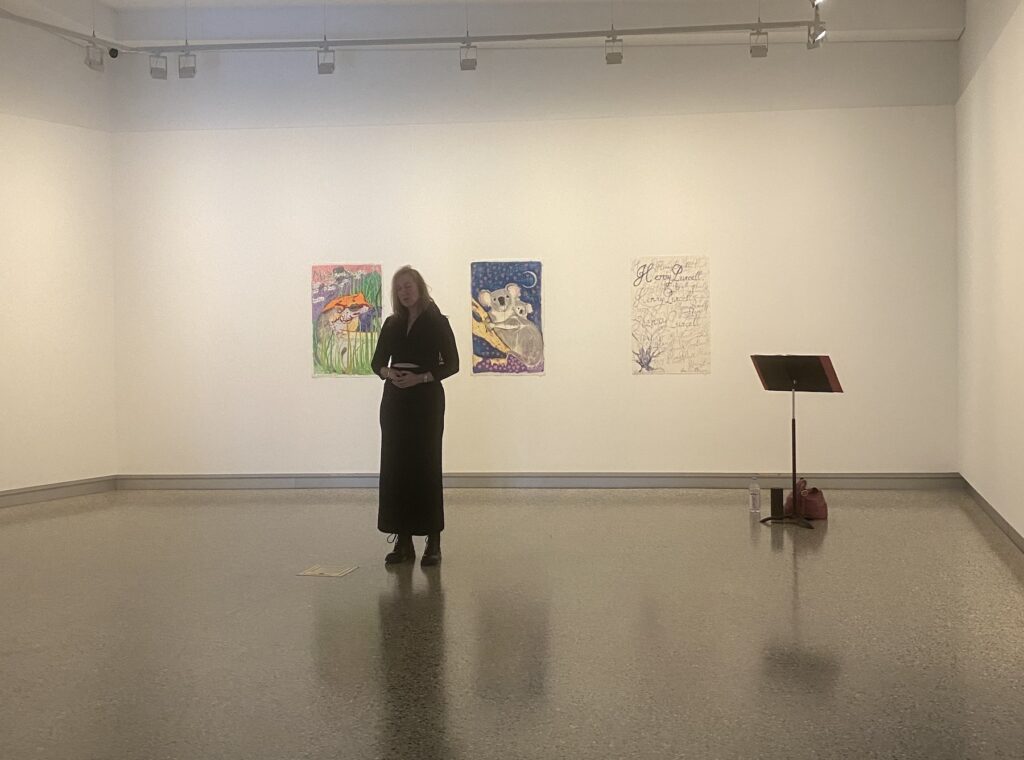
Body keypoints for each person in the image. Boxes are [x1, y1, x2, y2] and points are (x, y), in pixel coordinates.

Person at [371, 266, 459, 566]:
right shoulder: (392, 323)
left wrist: (420, 379)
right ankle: (404, 542)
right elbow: (377, 363)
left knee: (426, 465)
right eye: (399, 288)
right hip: (395, 402)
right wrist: (389, 372)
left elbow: (453, 364)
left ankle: (433, 542)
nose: (404, 292)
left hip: (425, 401)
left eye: (408, 286)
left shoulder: (437, 321)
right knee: (396, 469)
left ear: (420, 287)